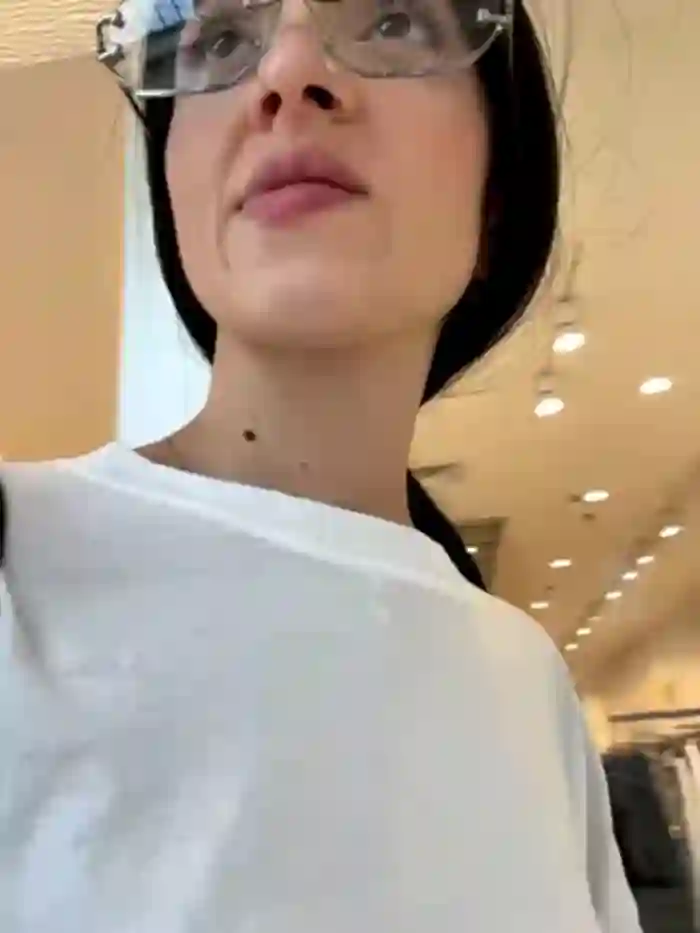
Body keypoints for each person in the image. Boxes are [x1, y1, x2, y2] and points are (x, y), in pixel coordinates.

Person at [0, 0, 641, 930]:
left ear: (496, 192)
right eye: (223, 40)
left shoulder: (527, 682)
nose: (287, 72)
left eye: (394, 20)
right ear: (174, 187)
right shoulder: (24, 566)